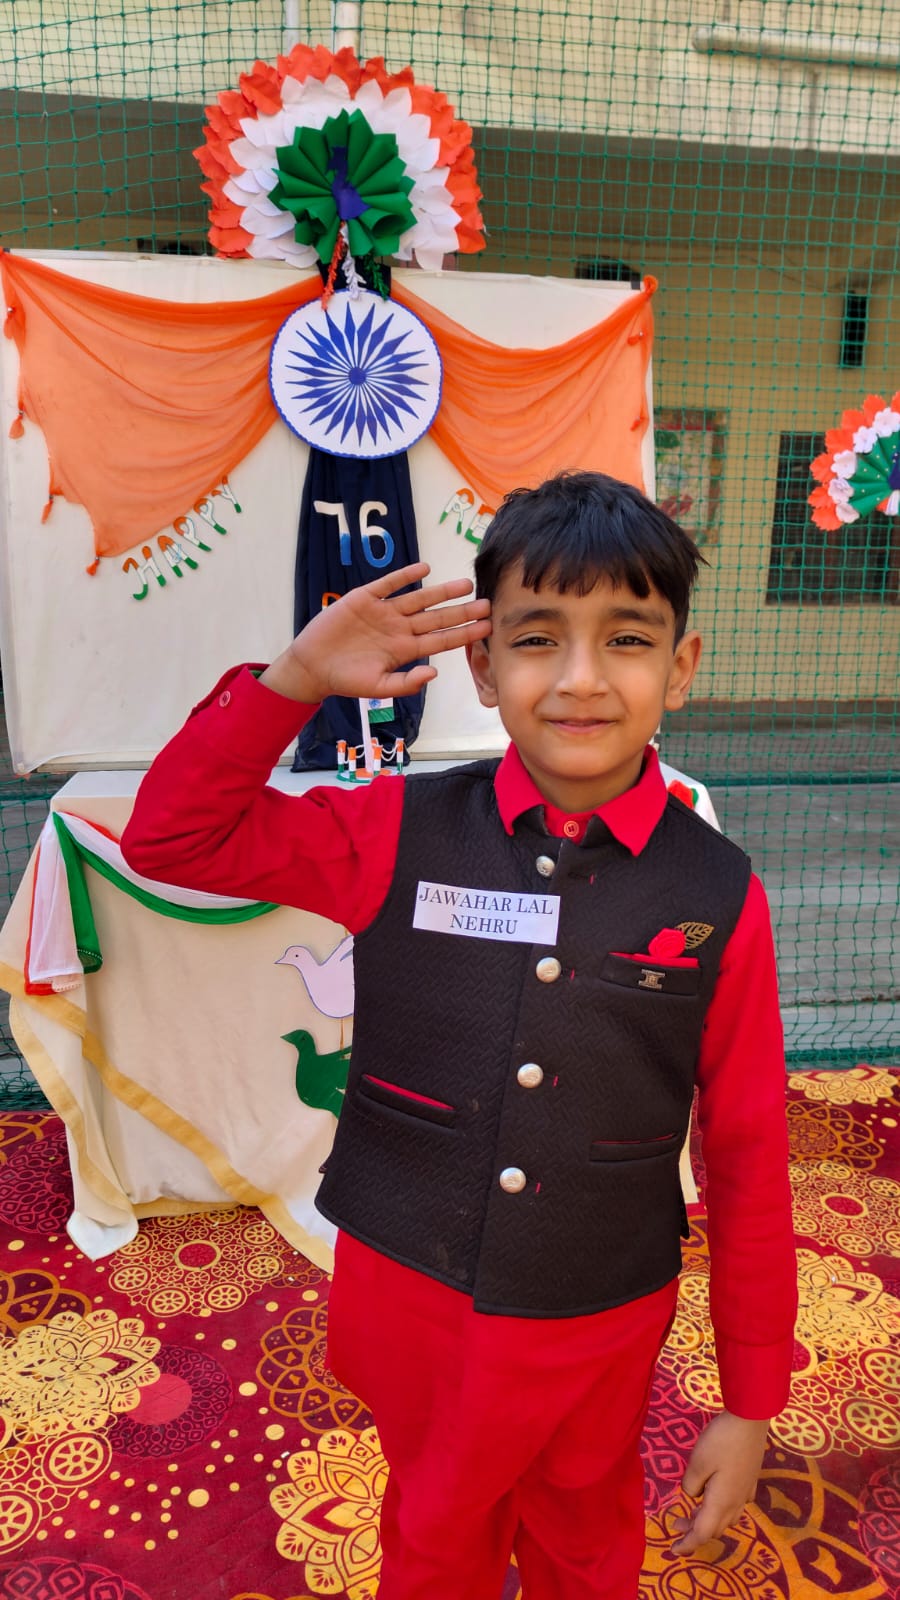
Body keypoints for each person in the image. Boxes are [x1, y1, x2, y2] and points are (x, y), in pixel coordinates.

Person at [121, 470, 797, 1600]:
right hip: (415, 1290)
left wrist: (751, 1400)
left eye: (627, 639)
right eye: (536, 639)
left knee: (587, 1534)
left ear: (680, 666)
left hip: (602, 1307)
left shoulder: (720, 891)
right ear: (482, 667)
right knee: (435, 1530)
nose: (580, 679)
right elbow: (173, 838)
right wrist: (293, 681)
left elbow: (747, 1150)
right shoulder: (395, 827)